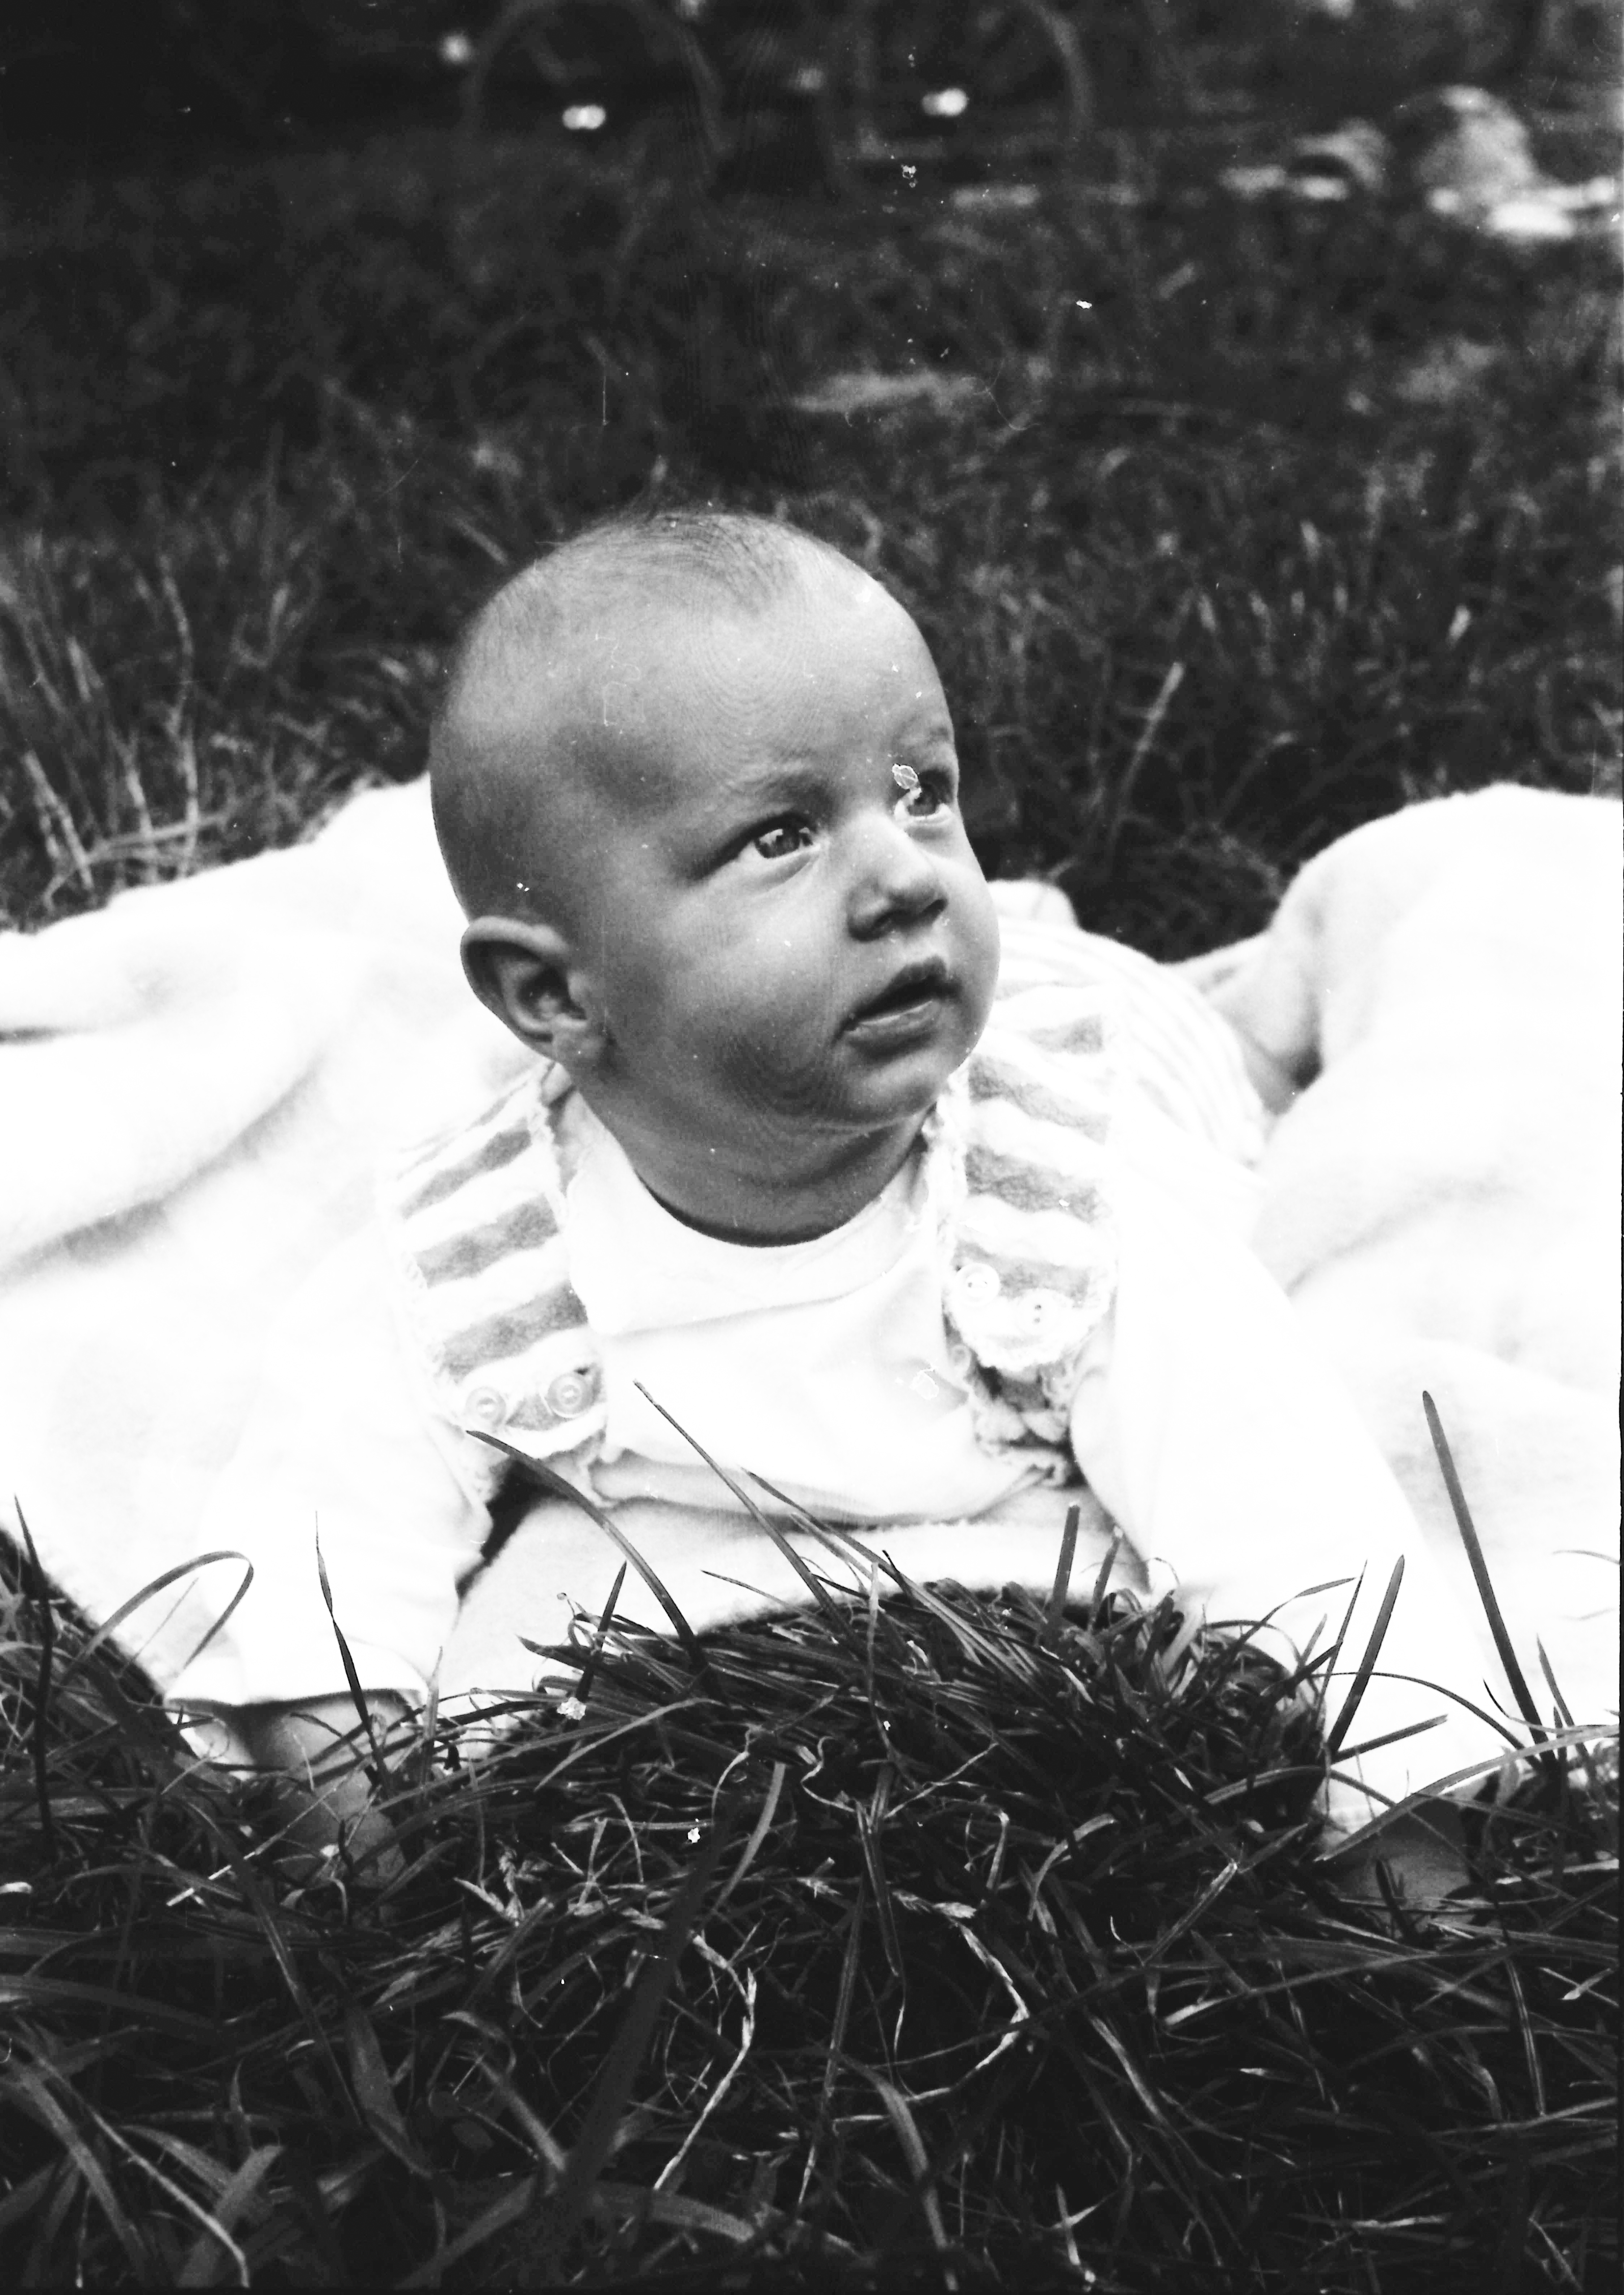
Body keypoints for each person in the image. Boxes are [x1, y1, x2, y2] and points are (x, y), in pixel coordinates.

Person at [181, 511, 1492, 1899]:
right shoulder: (482, 1264)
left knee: (1217, 1068)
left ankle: (1254, 1028)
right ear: (557, 995)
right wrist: (373, 1871)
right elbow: (319, 1559)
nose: (908, 877)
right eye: (782, 835)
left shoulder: (1067, 1206)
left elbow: (1297, 1522)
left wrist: (1404, 1870)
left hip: (1124, 1048)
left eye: (923, 791)